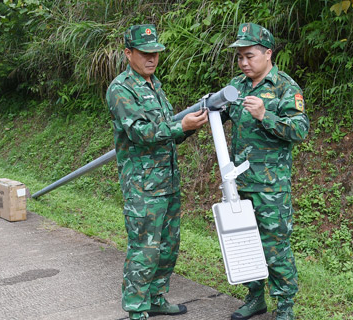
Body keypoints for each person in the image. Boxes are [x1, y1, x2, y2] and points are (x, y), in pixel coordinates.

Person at [106, 24, 208, 320]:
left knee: (168, 246)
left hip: (168, 181)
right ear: (128, 53)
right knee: (144, 249)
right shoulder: (121, 89)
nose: (152, 58)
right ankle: (137, 309)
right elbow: (140, 133)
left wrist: (188, 128)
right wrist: (180, 125)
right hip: (143, 187)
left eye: (156, 53)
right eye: (145, 53)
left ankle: (156, 297)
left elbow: (167, 135)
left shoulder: (154, 85)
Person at [222, 23, 310, 320]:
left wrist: (265, 115)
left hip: (271, 188)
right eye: (240, 58)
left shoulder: (285, 86)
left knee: (276, 248)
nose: (243, 63)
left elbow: (299, 130)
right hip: (240, 183)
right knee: (245, 244)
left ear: (268, 53)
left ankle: (284, 307)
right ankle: (255, 298)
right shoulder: (237, 87)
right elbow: (216, 114)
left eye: (249, 56)